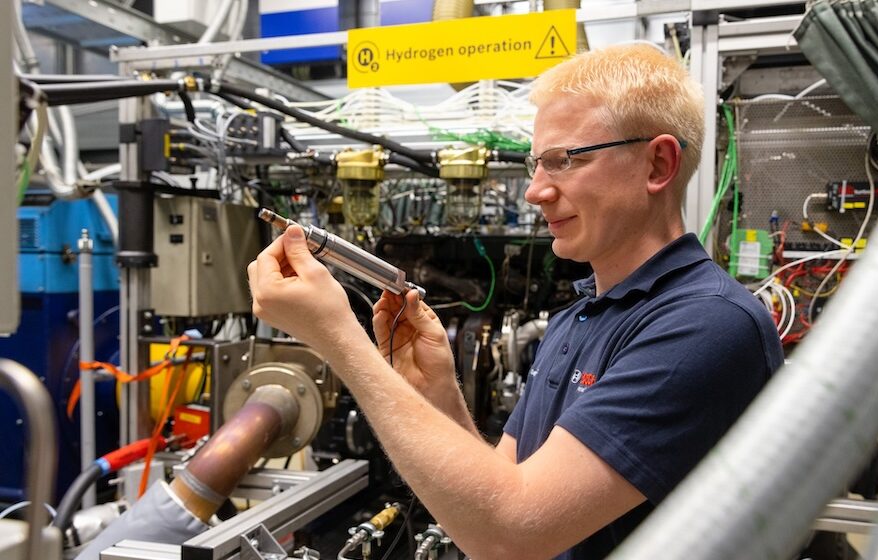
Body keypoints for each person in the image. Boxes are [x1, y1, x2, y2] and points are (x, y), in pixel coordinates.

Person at [248, 42, 783, 560]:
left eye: (564, 160)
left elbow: (514, 534)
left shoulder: (708, 324)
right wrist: (436, 393)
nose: (536, 190)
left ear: (657, 165)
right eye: (536, 164)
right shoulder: (580, 316)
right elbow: (503, 488)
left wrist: (340, 341)